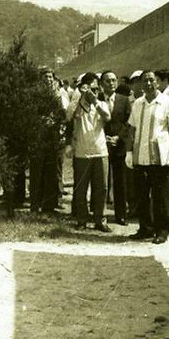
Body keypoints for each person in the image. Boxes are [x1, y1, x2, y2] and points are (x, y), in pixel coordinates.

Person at [125, 70, 169, 244]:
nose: (148, 84)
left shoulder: (166, 102)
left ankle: (162, 231)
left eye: (151, 80)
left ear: (157, 82)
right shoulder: (138, 104)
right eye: (145, 81)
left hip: (160, 157)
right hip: (140, 156)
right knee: (141, 194)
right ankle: (145, 229)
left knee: (160, 196)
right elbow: (132, 129)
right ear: (141, 84)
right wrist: (129, 152)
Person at [66, 72, 111, 232]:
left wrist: (95, 102)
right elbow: (69, 117)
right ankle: (82, 220)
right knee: (81, 188)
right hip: (82, 151)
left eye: (95, 87)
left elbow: (107, 117)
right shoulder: (76, 104)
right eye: (90, 87)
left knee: (101, 188)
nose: (93, 91)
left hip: (100, 151)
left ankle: (100, 220)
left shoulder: (102, 103)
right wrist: (80, 97)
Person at [29, 67, 66, 214]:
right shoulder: (34, 95)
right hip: (38, 137)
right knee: (36, 172)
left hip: (52, 138)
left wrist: (57, 122)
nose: (48, 80)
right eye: (45, 77)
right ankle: (34, 205)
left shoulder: (57, 96)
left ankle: (48, 206)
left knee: (51, 172)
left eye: (51, 77)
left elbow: (62, 115)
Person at [100, 70, 131, 225]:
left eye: (113, 80)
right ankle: (99, 213)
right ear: (101, 84)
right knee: (101, 182)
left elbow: (129, 122)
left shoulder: (124, 100)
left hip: (119, 146)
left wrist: (118, 137)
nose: (111, 83)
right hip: (101, 145)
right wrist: (104, 138)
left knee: (120, 182)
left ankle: (121, 215)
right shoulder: (97, 99)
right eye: (107, 81)